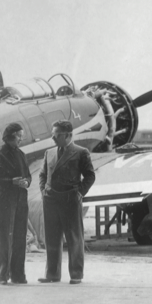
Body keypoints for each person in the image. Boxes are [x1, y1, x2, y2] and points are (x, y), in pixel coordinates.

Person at [38, 120, 96, 285]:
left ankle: (76, 274)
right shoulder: (49, 153)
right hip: (50, 200)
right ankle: (52, 274)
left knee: (74, 237)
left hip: (70, 200)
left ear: (69, 135)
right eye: (53, 134)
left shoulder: (81, 152)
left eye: (57, 135)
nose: (53, 138)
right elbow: (43, 174)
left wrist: (80, 192)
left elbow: (90, 176)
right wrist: (44, 190)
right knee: (51, 238)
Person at [0, 123, 32, 285]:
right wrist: (11, 182)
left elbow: (28, 175)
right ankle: (3, 275)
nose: (21, 138)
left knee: (20, 239)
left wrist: (27, 182)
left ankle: (18, 275)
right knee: (5, 239)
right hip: (6, 201)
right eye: (19, 135)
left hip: (21, 200)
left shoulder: (21, 154)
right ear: (10, 136)